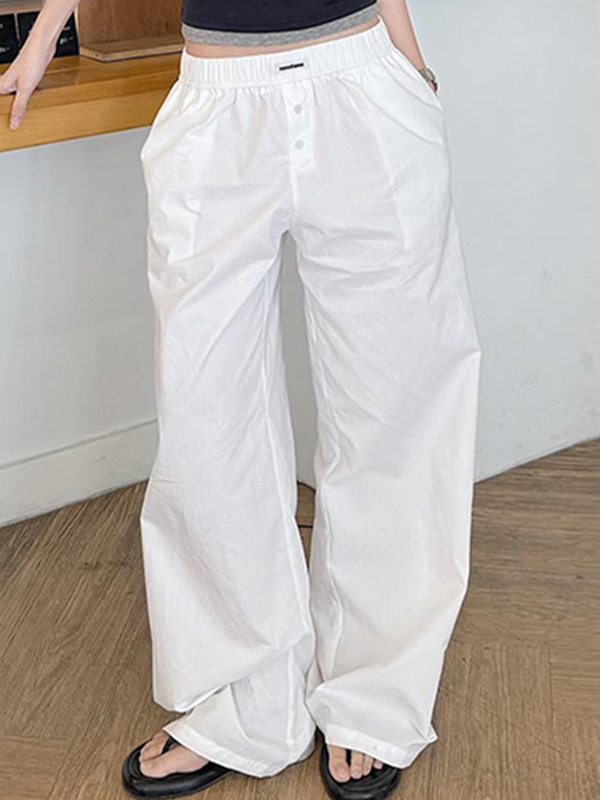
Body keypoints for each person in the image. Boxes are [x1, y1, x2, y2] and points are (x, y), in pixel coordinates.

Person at [1, 2, 482, 798]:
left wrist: (410, 62)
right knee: (207, 419)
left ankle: (375, 693)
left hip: (362, 78)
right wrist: (48, 30)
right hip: (217, 97)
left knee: (398, 407)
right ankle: (242, 698)